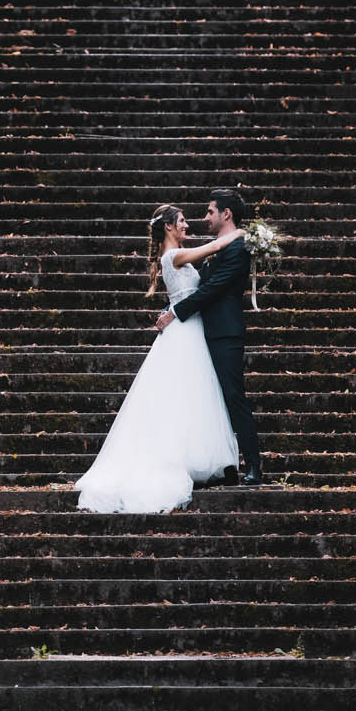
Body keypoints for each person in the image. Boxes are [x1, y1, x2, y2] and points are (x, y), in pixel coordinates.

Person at [75, 204, 242, 514]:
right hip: (185, 333)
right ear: (168, 226)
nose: (187, 225)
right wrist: (245, 234)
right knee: (184, 393)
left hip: (189, 328)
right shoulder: (173, 256)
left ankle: (197, 457)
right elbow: (216, 245)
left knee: (193, 394)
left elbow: (182, 292)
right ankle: (179, 458)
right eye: (181, 221)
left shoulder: (175, 259)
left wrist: (169, 310)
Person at [156, 188, 263, 485]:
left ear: (225, 214)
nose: (204, 218)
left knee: (233, 396)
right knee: (208, 400)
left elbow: (211, 289)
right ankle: (222, 463)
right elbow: (192, 285)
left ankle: (253, 464)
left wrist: (175, 313)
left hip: (225, 333)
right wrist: (174, 307)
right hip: (204, 333)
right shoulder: (217, 248)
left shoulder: (236, 249)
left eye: (210, 212)